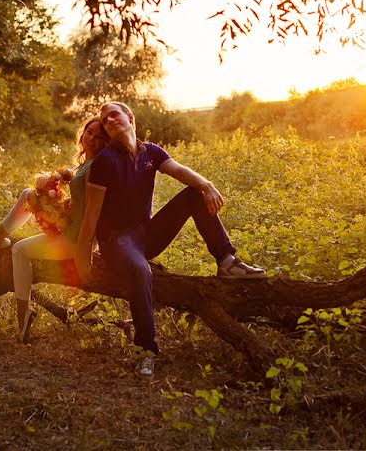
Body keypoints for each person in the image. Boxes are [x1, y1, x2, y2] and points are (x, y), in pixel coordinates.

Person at [84, 101, 267, 377]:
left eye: (114, 114)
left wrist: (206, 184)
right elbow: (92, 213)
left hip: (145, 234)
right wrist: (82, 254)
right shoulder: (104, 162)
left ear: (130, 118)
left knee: (194, 193)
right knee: (139, 270)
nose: (109, 120)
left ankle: (227, 261)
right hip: (117, 242)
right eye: (104, 119)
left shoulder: (152, 152)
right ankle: (146, 351)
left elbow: (179, 171)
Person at [0, 118, 110, 342]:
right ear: (83, 133)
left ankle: (23, 316)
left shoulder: (96, 167)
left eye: (99, 137)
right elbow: (79, 199)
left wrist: (56, 210)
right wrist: (60, 194)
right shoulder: (86, 163)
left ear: (105, 142)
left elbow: (92, 210)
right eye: (89, 132)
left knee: (19, 250)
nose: (92, 139)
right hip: (70, 230)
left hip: (76, 239)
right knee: (28, 194)